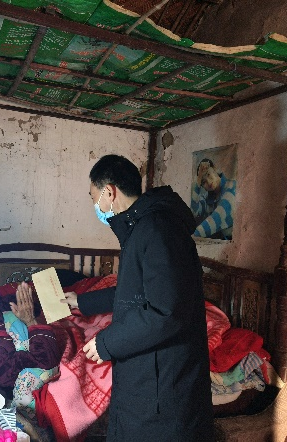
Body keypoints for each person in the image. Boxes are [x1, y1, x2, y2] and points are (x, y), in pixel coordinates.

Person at [62, 154, 214, 441]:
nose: (96, 206)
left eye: (95, 198)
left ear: (109, 192)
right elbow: (136, 293)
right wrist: (81, 302)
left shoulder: (157, 229)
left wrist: (107, 342)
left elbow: (165, 311)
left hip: (164, 378)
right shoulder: (143, 227)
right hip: (151, 368)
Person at [191, 158, 236, 240]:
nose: (208, 182)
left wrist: (190, 237)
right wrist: (198, 182)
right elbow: (194, 212)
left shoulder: (232, 187)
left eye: (208, 174)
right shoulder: (207, 198)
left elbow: (217, 219)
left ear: (215, 169)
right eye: (203, 182)